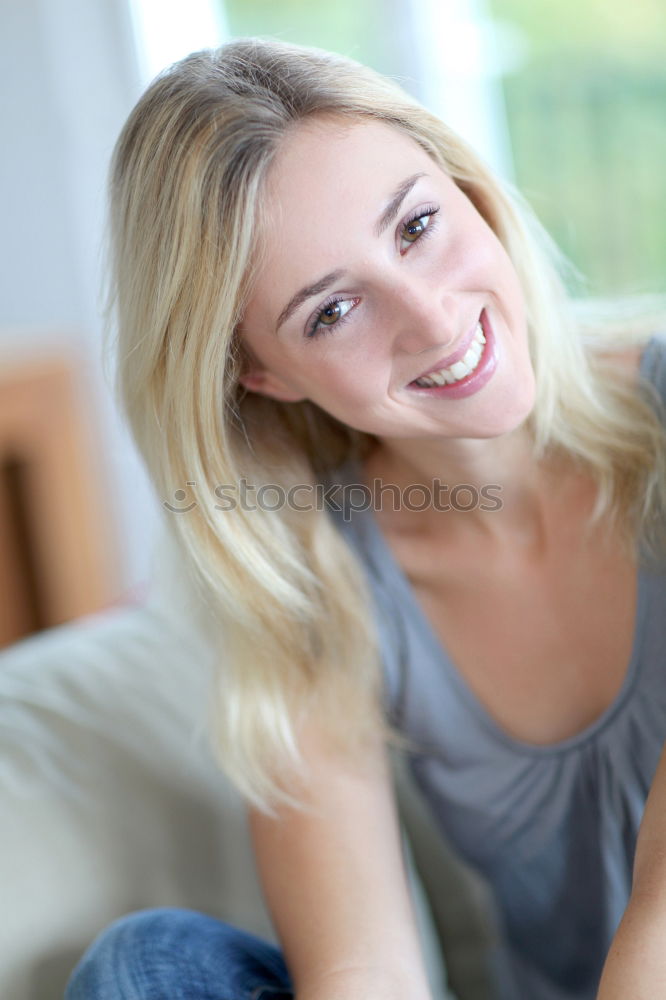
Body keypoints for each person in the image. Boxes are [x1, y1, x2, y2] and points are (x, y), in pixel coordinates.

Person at [64, 36, 666, 1000]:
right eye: (332, 312)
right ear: (256, 372)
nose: (429, 319)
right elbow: (360, 971)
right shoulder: (316, 572)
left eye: (418, 225)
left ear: (465, 185)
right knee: (148, 968)